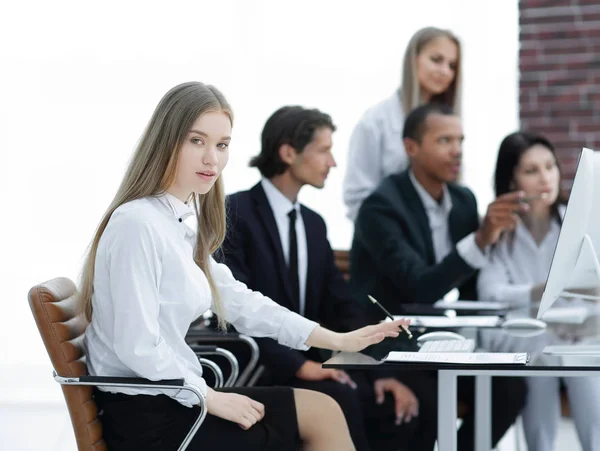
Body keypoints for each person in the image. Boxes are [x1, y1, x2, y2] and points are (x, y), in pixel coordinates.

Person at [79, 82, 409, 451]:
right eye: (196, 141)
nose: (212, 159)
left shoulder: (177, 224)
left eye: (222, 145)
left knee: (326, 409)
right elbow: (136, 345)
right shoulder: (138, 224)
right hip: (152, 416)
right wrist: (211, 397)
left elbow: (242, 301)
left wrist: (339, 340)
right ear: (166, 141)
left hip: (176, 396)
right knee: (322, 414)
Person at [217, 105, 437, 451]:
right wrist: (302, 366)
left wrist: (379, 373)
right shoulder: (234, 213)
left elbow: (342, 306)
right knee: (343, 396)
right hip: (261, 364)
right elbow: (233, 309)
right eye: (323, 150)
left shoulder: (313, 224)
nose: (332, 162)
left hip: (314, 362)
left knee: (409, 397)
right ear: (288, 153)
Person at [350, 103, 527, 449]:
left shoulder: (462, 200)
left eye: (460, 140)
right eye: (444, 140)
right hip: (391, 346)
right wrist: (479, 240)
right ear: (411, 147)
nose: (457, 150)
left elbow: (471, 286)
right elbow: (419, 287)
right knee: (428, 403)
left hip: (443, 341)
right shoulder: (380, 206)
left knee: (510, 389)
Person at [478, 131, 600, 451]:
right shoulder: (499, 232)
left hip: (578, 336)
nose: (545, 179)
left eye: (550, 166)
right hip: (524, 338)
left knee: (581, 364)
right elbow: (490, 293)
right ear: (510, 180)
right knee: (539, 358)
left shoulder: (579, 224)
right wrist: (541, 291)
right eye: (531, 171)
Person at [343, 26, 462, 221]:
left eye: (452, 65)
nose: (445, 71)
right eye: (436, 60)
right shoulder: (376, 121)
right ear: (413, 60)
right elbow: (357, 196)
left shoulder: (453, 123)